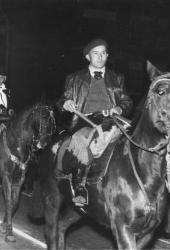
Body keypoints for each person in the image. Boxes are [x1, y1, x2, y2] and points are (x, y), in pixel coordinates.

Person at [57, 38, 133, 205]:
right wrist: (66, 103)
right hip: (86, 120)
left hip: (112, 120)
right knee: (83, 141)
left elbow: (127, 102)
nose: (100, 57)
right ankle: (79, 186)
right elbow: (62, 100)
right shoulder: (75, 78)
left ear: (107, 56)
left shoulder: (118, 78)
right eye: (95, 53)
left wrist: (119, 108)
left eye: (103, 53)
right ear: (87, 57)